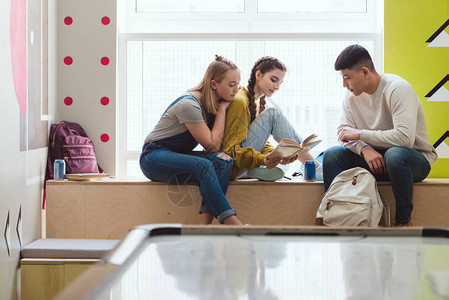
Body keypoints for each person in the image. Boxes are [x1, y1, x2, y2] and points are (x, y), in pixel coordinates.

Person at [323, 44, 438, 226]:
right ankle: (335, 216)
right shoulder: (351, 96)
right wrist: (364, 149)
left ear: (364, 72)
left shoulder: (397, 88)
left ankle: (403, 223)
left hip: (411, 160)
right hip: (375, 161)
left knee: (395, 154)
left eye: (347, 78)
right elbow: (343, 132)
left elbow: (404, 139)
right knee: (331, 155)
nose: (344, 84)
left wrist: (361, 134)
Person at [140, 55, 243, 225]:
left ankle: (204, 226)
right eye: (231, 85)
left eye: (238, 84)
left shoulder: (211, 103)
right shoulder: (189, 105)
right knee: (205, 164)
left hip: (177, 154)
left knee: (224, 161)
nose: (236, 89)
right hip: (153, 156)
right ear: (214, 84)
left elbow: (217, 150)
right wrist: (223, 109)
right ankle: (232, 222)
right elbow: (212, 146)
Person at [221, 56, 321, 181]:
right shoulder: (240, 101)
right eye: (274, 80)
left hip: (243, 165)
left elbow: (258, 141)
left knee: (283, 168)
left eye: (280, 82)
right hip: (232, 167)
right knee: (273, 113)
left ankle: (256, 169)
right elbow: (230, 150)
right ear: (258, 75)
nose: (277, 87)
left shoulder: (257, 102)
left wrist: (275, 155)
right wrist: (261, 158)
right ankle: (316, 168)